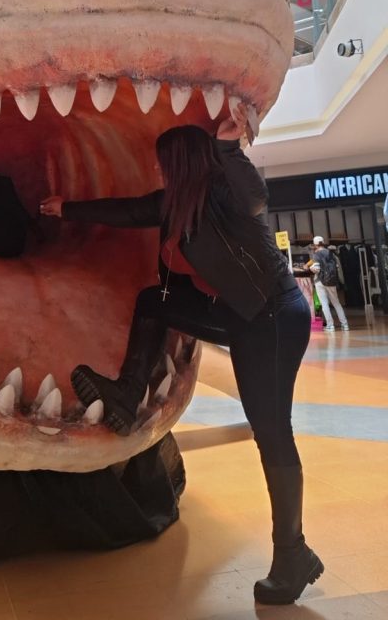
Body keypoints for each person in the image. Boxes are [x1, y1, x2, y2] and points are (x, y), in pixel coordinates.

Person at [40, 106, 323, 606]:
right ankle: (127, 394)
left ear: (183, 162)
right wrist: (66, 209)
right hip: (237, 313)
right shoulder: (174, 204)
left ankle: (292, 552)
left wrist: (229, 148)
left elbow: (256, 197)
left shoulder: (225, 194)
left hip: (273, 318)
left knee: (273, 433)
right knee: (154, 302)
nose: (156, 169)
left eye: (162, 161)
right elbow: (128, 211)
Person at [309, 237, 349, 333]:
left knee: (324, 304)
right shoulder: (331, 253)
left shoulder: (316, 255)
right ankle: (345, 324)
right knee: (336, 303)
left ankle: (330, 326)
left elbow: (317, 269)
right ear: (323, 243)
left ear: (315, 245)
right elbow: (337, 267)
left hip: (320, 281)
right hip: (331, 281)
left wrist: (311, 268)